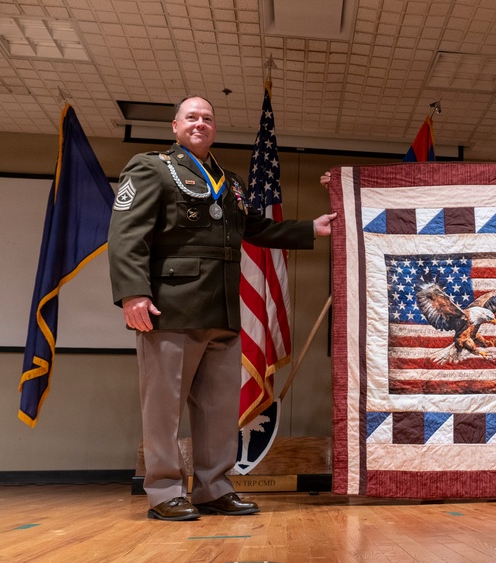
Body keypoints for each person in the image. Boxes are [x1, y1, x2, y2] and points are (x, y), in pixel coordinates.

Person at [108, 95, 337, 521]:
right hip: (170, 309)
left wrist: (311, 228)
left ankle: (214, 488)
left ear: (214, 128)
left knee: (218, 411)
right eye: (191, 117)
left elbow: (256, 228)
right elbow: (126, 233)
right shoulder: (151, 167)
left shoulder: (229, 182)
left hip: (223, 312)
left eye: (207, 118)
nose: (200, 123)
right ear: (175, 126)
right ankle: (164, 492)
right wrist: (133, 293)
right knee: (163, 407)